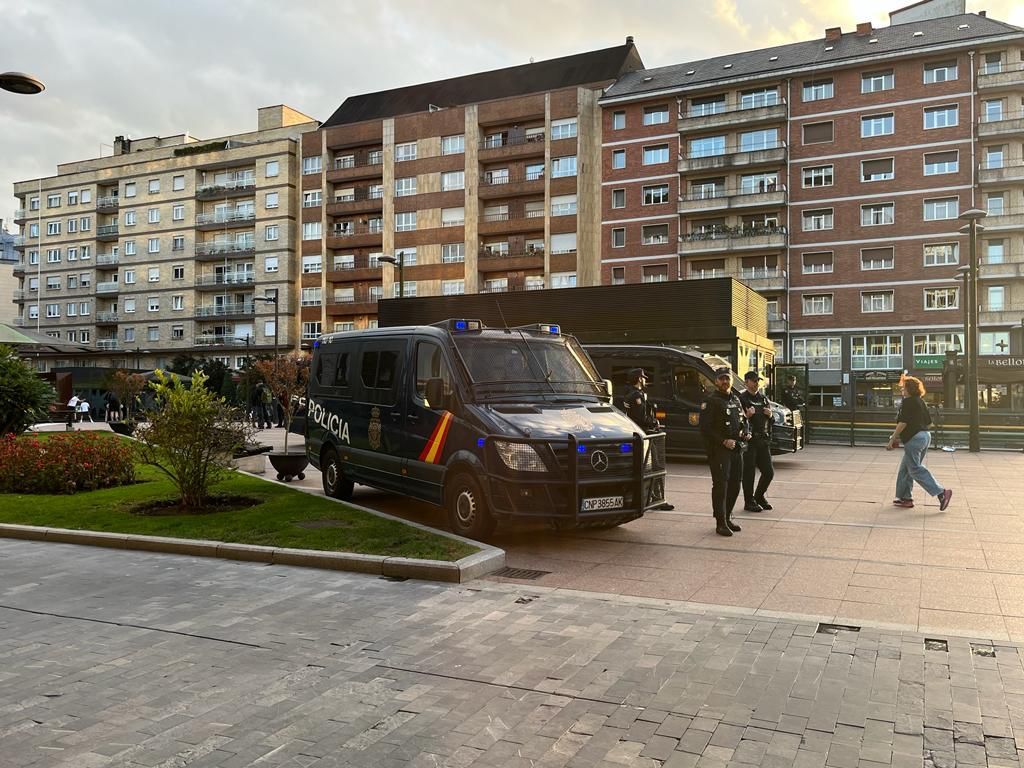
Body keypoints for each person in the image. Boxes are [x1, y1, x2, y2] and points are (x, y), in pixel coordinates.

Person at [887, 376, 953, 511]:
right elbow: (929, 423)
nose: (902, 390)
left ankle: (941, 493)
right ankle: (906, 498)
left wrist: (893, 438)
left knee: (914, 468)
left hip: (915, 438)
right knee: (905, 469)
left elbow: (903, 422)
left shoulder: (908, 402)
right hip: (925, 436)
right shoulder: (920, 401)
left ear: (909, 389)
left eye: (903, 387)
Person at [700, 367, 750, 537]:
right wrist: (723, 440)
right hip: (719, 450)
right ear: (716, 381)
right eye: (721, 379)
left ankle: (727, 516)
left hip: (736, 449)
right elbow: (705, 428)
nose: (725, 382)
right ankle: (720, 522)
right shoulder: (711, 401)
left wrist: (745, 431)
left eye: (727, 378)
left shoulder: (735, 399)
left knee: (736, 484)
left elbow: (743, 420)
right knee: (721, 485)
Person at [621, 368, 674, 511]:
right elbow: (640, 417)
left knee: (644, 468)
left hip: (637, 435)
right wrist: (653, 422)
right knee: (655, 466)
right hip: (644, 435)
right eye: (643, 377)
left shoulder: (631, 393)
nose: (645, 380)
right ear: (639, 379)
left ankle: (647, 497)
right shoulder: (636, 395)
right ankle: (656, 498)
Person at [739, 371, 775, 512]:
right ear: (746, 382)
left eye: (757, 381)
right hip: (750, 440)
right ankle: (749, 502)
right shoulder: (742, 398)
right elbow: (737, 421)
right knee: (749, 473)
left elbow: (770, 421)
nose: (756, 384)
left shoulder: (763, 398)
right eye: (753, 381)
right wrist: (747, 416)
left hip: (763, 439)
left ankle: (759, 496)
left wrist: (770, 415)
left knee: (768, 472)